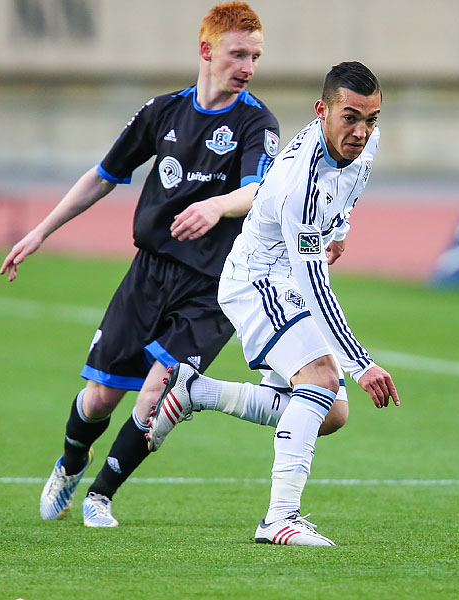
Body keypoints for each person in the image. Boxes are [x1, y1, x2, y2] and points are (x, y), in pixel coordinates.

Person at [0, 2, 279, 527]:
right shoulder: (162, 112)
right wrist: (40, 230)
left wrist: (217, 205)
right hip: (149, 274)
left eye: (256, 57)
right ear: (206, 50)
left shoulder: (257, 122)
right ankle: (71, 464)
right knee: (101, 397)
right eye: (238, 54)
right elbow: (103, 174)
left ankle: (100, 496)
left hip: (213, 287)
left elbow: (259, 189)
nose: (247, 67)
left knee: (159, 391)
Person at [147, 61, 399, 546]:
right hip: (258, 281)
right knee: (324, 379)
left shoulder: (363, 142)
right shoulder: (297, 183)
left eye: (372, 119)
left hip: (287, 275)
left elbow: (348, 190)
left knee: (330, 413)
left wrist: (339, 231)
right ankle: (279, 518)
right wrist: (362, 364)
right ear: (321, 110)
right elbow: (310, 283)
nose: (362, 131)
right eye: (351, 117)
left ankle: (196, 392)